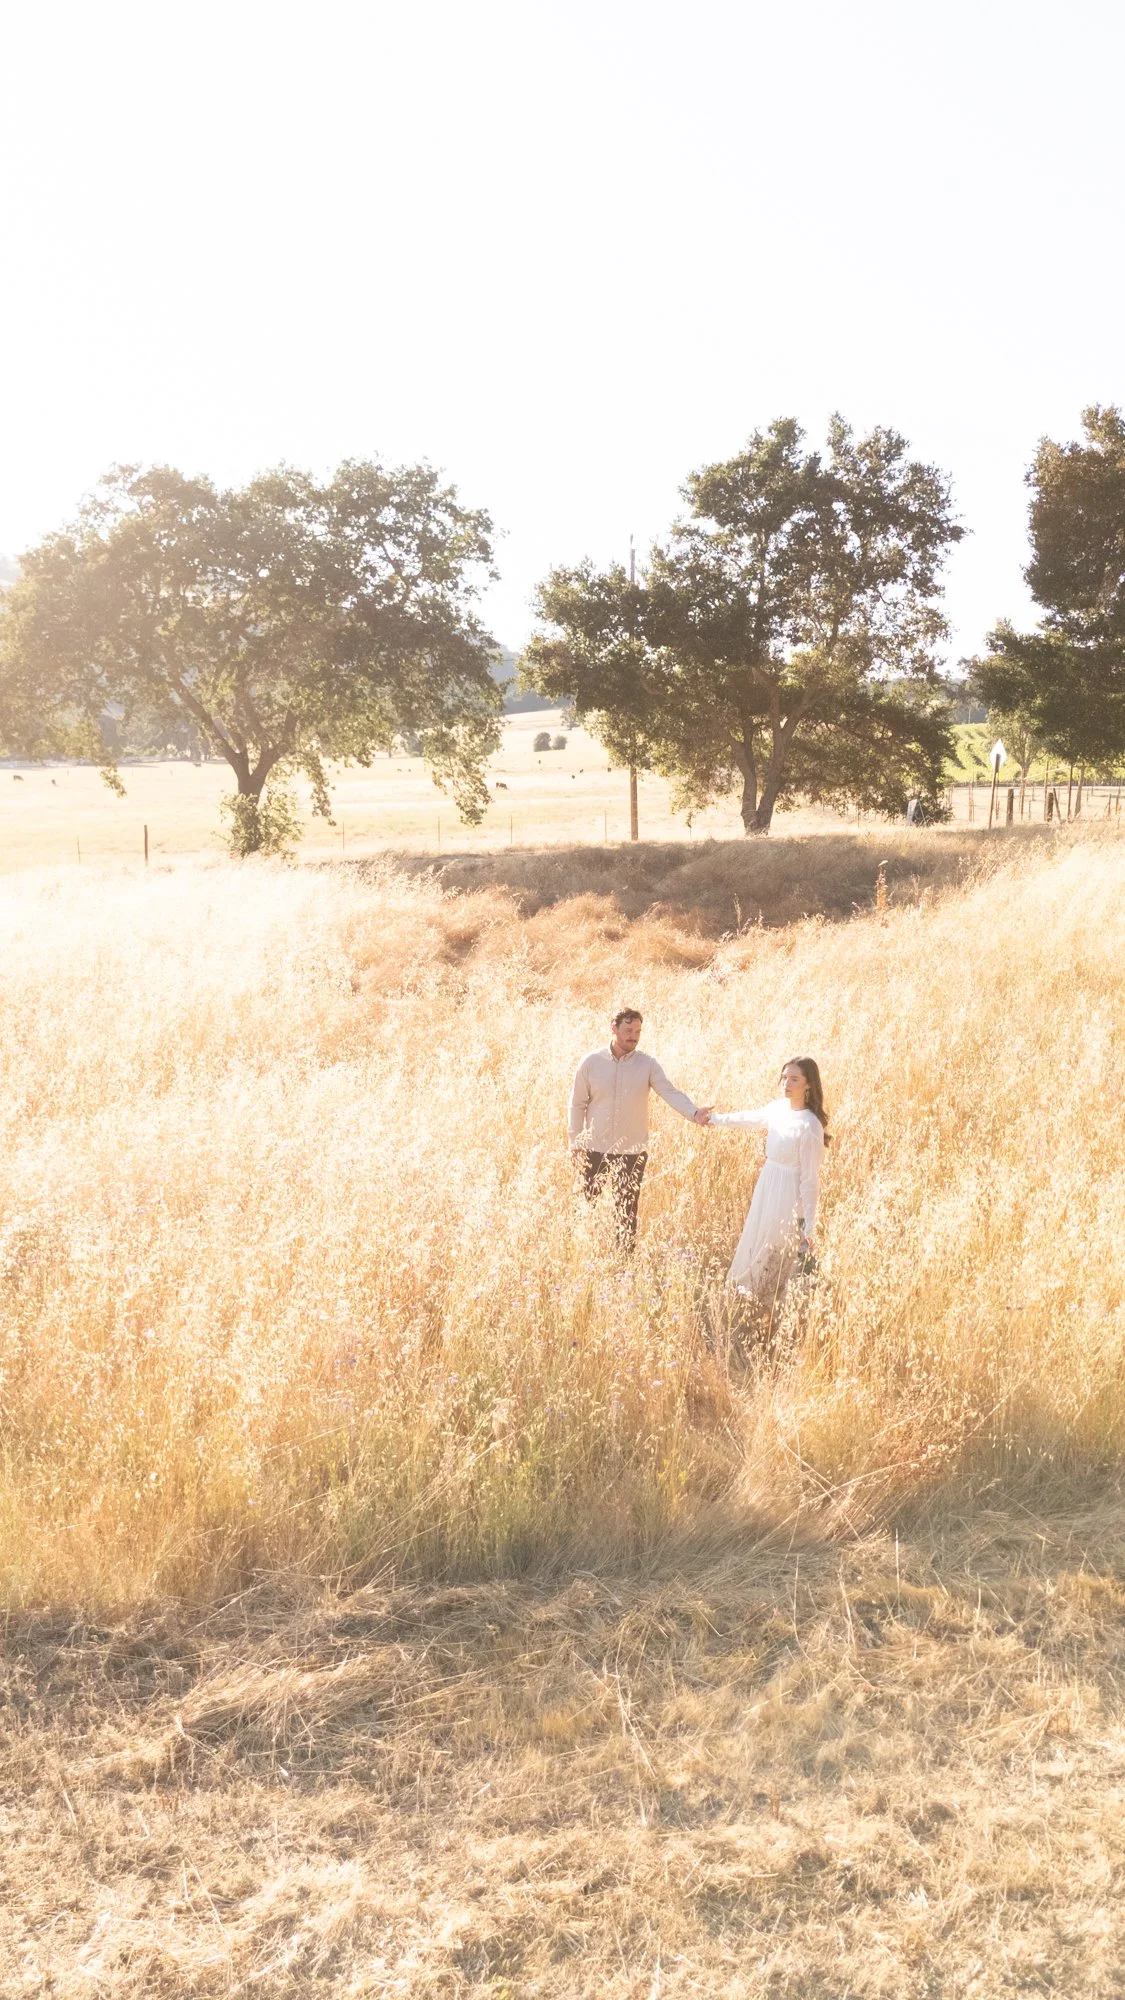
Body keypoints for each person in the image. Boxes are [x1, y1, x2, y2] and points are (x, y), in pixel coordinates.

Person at [569, 1009, 712, 1249]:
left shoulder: (647, 1064)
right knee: (584, 1206)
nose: (633, 1037)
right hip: (594, 1148)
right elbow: (577, 1103)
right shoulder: (591, 1063)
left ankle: (624, 1264)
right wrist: (575, 1143)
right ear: (613, 1028)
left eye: (637, 1032)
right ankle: (577, 1255)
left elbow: (669, 1091)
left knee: (626, 1211)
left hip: (631, 1151)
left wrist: (694, 1113)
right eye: (628, 1031)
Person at [704, 1058, 828, 1301]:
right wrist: (714, 1119)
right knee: (757, 1235)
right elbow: (748, 1118)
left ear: (808, 1085)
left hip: (788, 1193)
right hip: (768, 1182)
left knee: (776, 1243)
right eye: (784, 1078)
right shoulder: (778, 1108)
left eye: (794, 1079)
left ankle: (769, 1298)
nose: (787, 1084)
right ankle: (746, 1294)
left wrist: (810, 1226)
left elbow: (810, 1180)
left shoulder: (810, 1125)